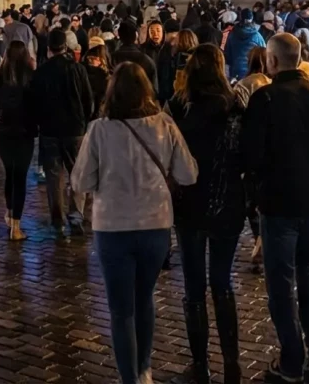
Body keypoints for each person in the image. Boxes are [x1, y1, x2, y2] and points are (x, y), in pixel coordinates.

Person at [73, 61, 196, 384]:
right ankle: (144, 370)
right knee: (145, 299)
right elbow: (188, 173)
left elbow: (81, 181)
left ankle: (130, 377)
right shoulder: (164, 125)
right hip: (155, 225)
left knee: (120, 309)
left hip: (113, 227)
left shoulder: (99, 129)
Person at [240, 32, 309, 384]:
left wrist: (253, 193)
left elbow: (250, 155)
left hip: (279, 202)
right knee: (308, 269)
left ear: (271, 61)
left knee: (281, 281)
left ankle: (291, 357)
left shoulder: (265, 99)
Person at [168, 44, 245, 384]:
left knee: (194, 286)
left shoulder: (179, 108)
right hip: (228, 203)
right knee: (222, 282)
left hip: (189, 204)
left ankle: (200, 366)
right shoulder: (235, 106)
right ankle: (232, 364)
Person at [27, 28, 94, 237]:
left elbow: (34, 104)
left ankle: (57, 220)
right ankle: (75, 217)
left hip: (49, 130)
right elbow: (88, 100)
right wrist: (84, 121)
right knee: (78, 174)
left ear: (49, 49)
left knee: (54, 177)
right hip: (74, 129)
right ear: (65, 47)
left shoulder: (41, 73)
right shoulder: (77, 69)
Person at [0, 38, 37, 240]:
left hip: (3, 132)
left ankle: (11, 213)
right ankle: (16, 226)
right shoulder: (31, 76)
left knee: (10, 174)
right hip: (25, 132)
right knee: (20, 177)